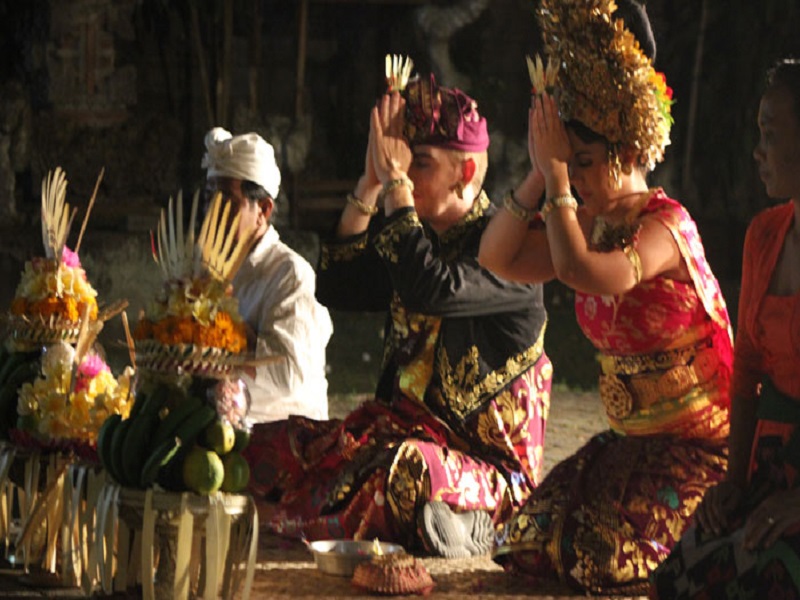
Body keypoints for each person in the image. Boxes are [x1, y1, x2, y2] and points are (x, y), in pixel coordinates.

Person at [479, 0, 733, 593]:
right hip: (629, 445)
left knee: (598, 558)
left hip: (697, 450)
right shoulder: (587, 220)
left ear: (628, 150)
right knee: (532, 543)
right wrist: (542, 172)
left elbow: (582, 272)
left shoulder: (665, 227)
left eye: (586, 163)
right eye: (571, 165)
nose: (578, 179)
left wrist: (558, 181)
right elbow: (497, 257)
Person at [243, 68, 551, 557]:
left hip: (484, 468)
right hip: (394, 434)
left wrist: (395, 186)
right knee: (273, 444)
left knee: (397, 473)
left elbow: (431, 288)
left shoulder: (512, 246)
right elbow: (339, 286)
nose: (404, 170)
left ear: (466, 173)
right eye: (402, 158)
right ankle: (431, 524)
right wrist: (369, 185)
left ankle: (480, 524)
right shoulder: (415, 236)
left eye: (419, 162)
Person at [649, 58, 800, 599]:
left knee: (765, 579)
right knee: (678, 578)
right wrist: (735, 482)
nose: (758, 151)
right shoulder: (765, 235)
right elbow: (748, 374)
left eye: (770, 134)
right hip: (770, 472)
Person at [201, 127, 333, 423]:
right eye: (209, 197)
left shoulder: (290, 274)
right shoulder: (209, 267)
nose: (212, 211)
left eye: (226, 200)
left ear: (263, 209)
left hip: (282, 432)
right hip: (221, 424)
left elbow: (288, 375)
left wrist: (223, 325)